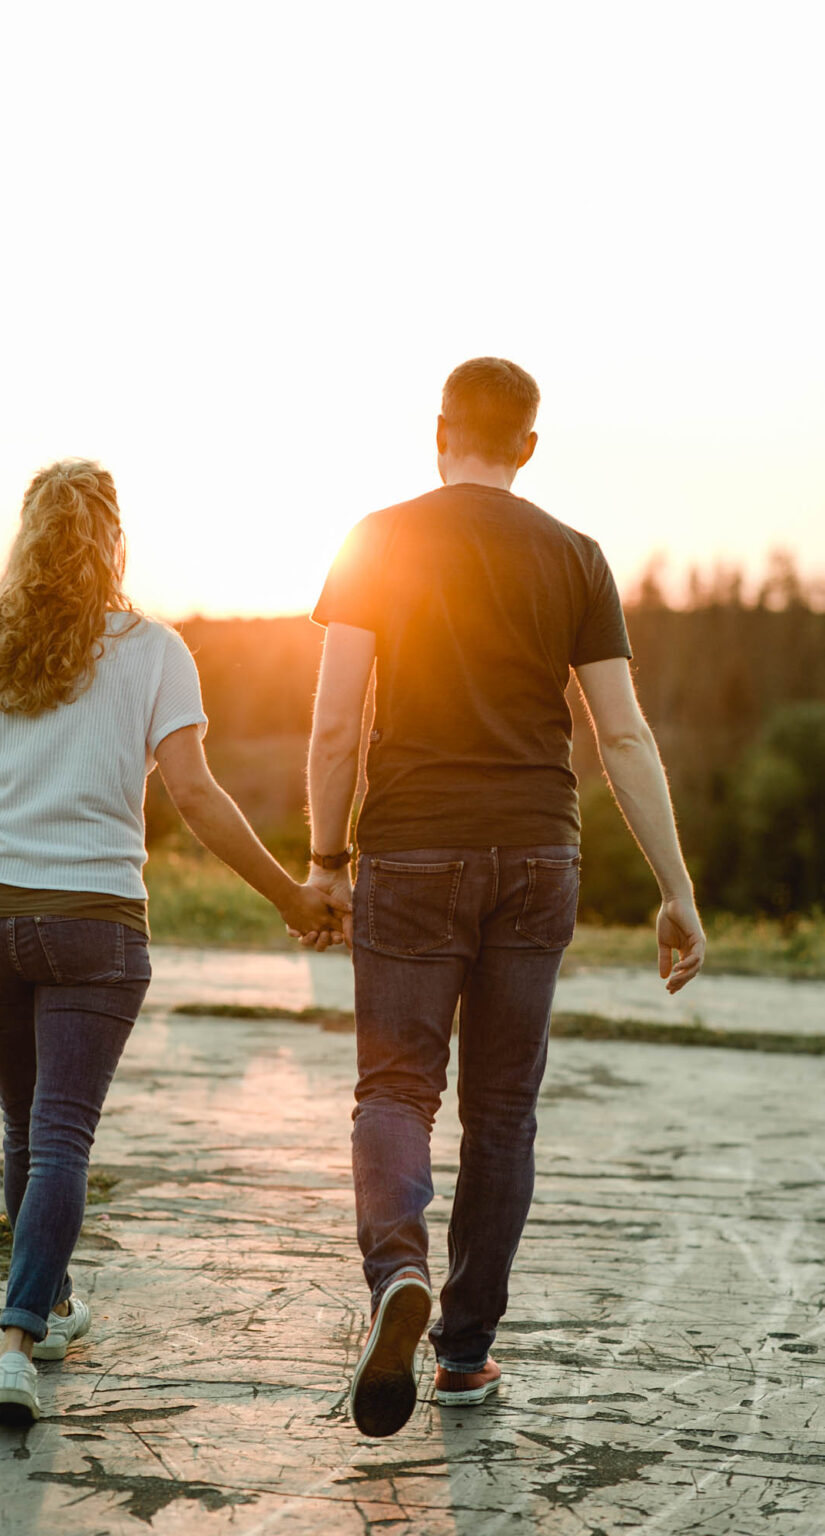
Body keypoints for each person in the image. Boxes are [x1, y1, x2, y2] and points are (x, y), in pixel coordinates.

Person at [0, 458, 345, 1426]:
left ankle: (53, 1301)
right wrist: (290, 896)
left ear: (27, 534)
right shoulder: (154, 648)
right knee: (59, 1138)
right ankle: (15, 1340)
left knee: (26, 1128)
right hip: (92, 927)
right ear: (112, 538)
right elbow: (197, 796)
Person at [303, 357, 706, 1438]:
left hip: (411, 847)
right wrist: (675, 889)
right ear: (527, 445)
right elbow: (618, 733)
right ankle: (466, 1355)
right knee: (502, 1114)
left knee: (394, 1088)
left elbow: (336, 720)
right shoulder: (574, 555)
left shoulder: (378, 537)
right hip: (536, 853)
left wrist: (324, 858)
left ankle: (396, 1271)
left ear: (438, 432)